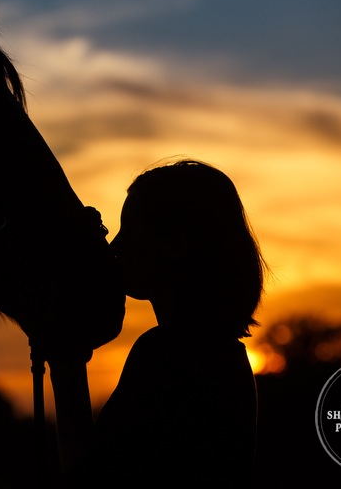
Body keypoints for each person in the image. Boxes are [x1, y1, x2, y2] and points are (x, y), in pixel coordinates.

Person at [89, 158, 267, 485]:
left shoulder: (166, 355)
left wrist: (64, 355)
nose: (115, 247)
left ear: (176, 242)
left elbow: (87, 475)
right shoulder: (222, 358)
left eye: (129, 231)